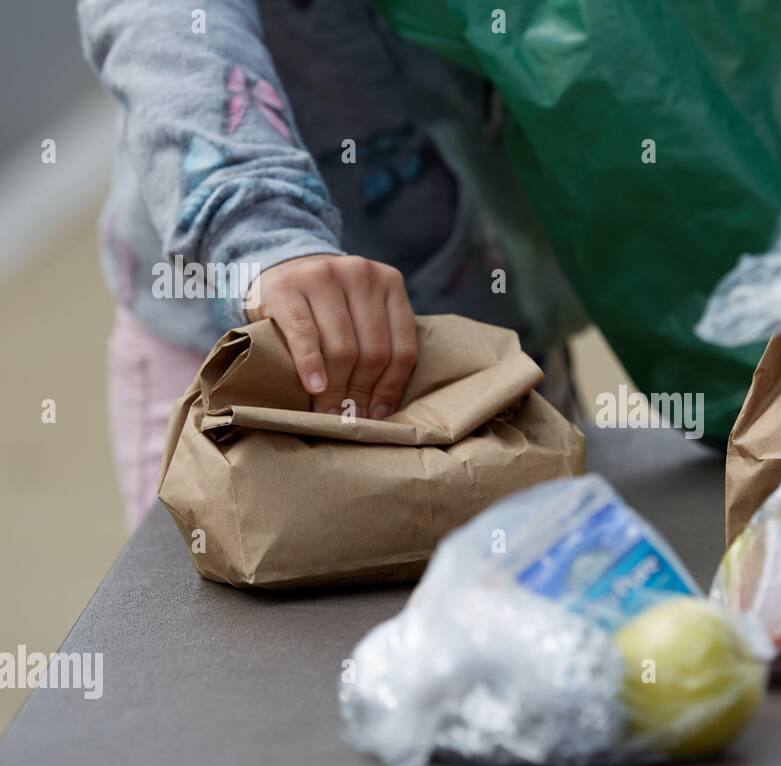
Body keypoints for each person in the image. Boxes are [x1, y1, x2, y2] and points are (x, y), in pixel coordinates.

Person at [78, 0, 581, 530]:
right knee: (215, 605)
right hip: (224, 360)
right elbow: (163, 20)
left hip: (483, 330)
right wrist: (263, 233)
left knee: (546, 582)